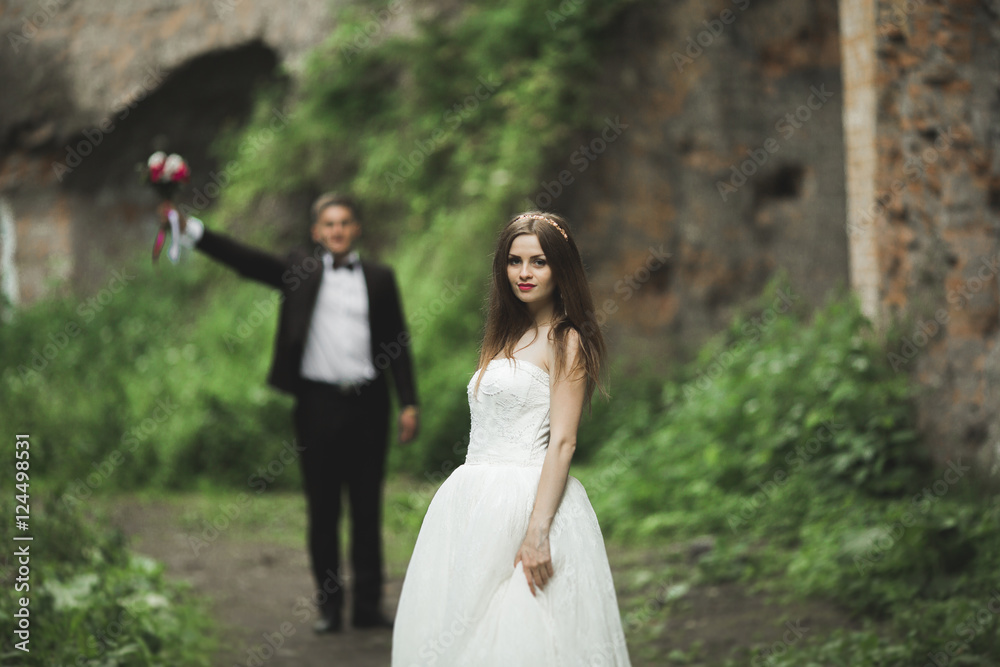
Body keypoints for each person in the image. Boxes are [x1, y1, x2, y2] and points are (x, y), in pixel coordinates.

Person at [165, 193, 419, 633]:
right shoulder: (300, 270)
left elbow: (399, 341)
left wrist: (409, 401)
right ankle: (328, 607)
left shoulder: (380, 277)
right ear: (316, 232)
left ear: (356, 229)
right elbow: (246, 260)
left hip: (369, 407)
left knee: (366, 508)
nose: (337, 230)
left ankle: (368, 607)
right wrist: (190, 230)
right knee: (322, 509)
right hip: (317, 406)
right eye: (329, 224)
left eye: (344, 223)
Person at [391, 211, 632, 665]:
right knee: (464, 625)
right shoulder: (507, 335)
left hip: (525, 499)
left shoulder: (566, 340)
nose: (524, 273)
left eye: (538, 262)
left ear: (560, 269)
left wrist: (537, 532)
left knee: (521, 628)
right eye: (514, 261)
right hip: (470, 498)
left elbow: (563, 441)